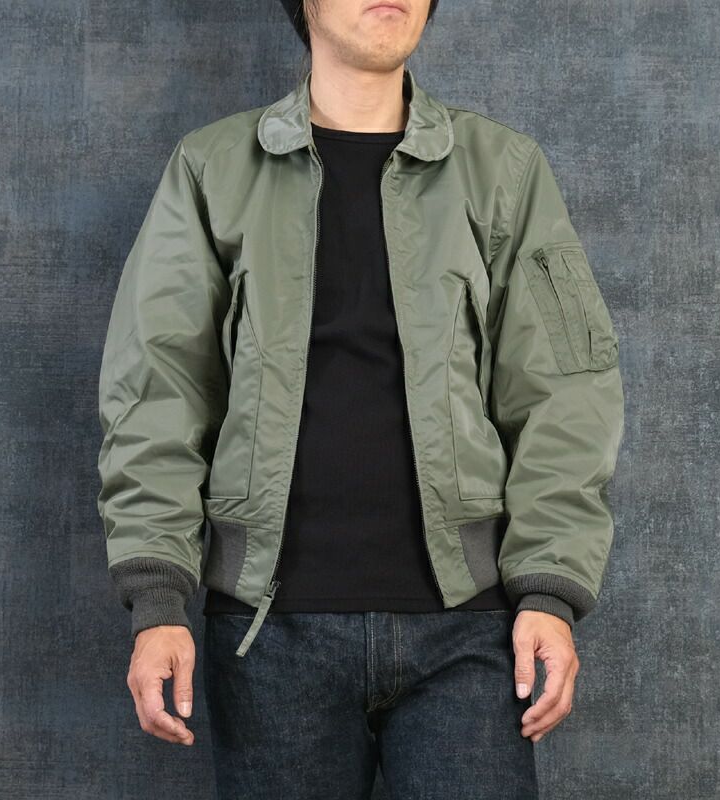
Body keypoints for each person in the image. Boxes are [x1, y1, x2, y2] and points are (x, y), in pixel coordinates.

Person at [96, 1, 625, 797]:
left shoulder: (505, 170)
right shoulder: (211, 170)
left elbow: (566, 396)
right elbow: (156, 395)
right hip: (267, 637)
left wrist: (549, 588)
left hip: (471, 636)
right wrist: (159, 600)